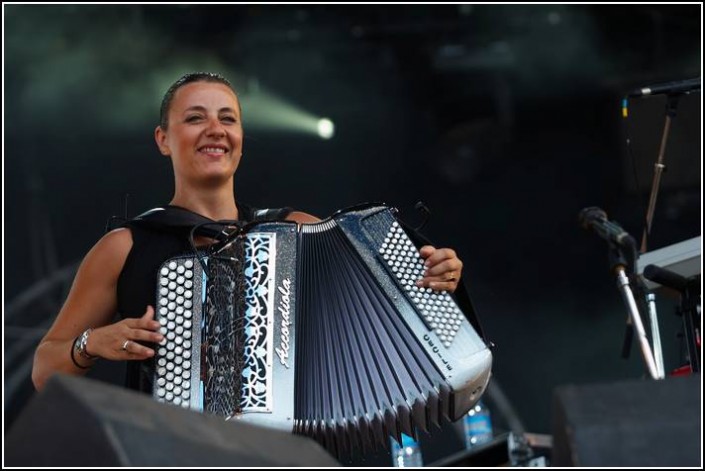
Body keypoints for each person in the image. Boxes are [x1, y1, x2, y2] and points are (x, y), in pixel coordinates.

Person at [31, 72, 465, 392]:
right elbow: (44, 368)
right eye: (195, 118)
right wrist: (90, 343)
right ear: (163, 139)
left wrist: (433, 275)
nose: (215, 130)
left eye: (228, 119)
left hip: (290, 449)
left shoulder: (297, 229)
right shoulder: (125, 246)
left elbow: (393, 301)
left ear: (240, 136)